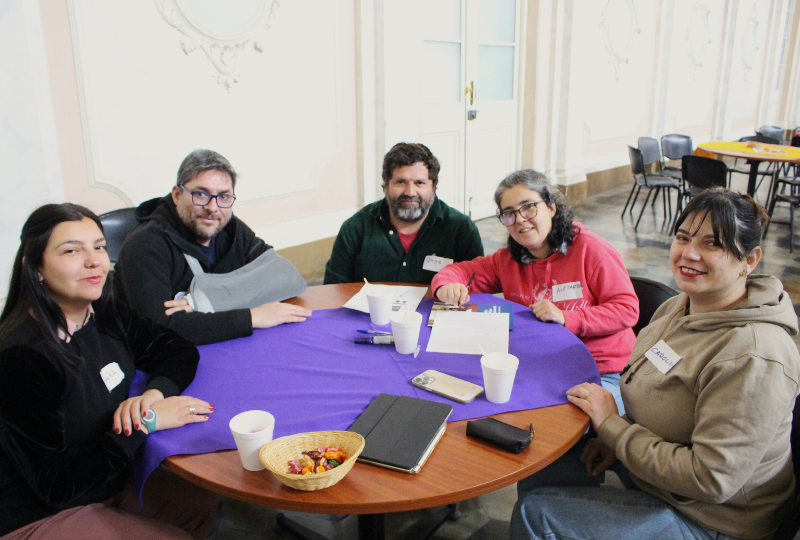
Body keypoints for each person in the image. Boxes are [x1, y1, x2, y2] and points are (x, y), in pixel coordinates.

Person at [511, 188, 800, 540]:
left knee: (536, 514)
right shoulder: (679, 307)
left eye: (713, 244)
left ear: (749, 260)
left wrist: (615, 429)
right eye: (683, 237)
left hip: (713, 519)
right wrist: (617, 437)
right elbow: (661, 396)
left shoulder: (754, 355)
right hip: (661, 480)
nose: (689, 253)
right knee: (544, 460)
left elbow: (710, 480)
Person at [0, 204, 217, 539]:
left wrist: (152, 396)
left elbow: (177, 349)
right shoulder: (22, 357)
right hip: (40, 510)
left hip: (104, 477)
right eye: (72, 250)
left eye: (99, 247)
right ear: (36, 267)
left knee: (201, 504)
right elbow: (57, 483)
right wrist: (147, 422)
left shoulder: (103, 312)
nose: (94, 261)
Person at [431, 170, 637, 410]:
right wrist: (446, 286)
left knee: (563, 420)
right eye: (509, 213)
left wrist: (567, 317)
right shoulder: (508, 259)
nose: (519, 219)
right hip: (544, 365)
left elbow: (627, 309)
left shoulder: (591, 250)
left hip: (603, 371)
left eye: (528, 207)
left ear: (551, 207)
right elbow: (462, 271)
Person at [114, 149, 312, 345]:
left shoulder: (230, 228)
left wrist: (203, 301)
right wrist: (251, 317)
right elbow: (159, 328)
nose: (213, 208)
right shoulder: (145, 244)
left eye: (224, 197)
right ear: (177, 195)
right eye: (201, 194)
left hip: (225, 344)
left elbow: (286, 277)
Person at [324, 142, 484, 285]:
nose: (410, 192)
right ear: (386, 186)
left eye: (419, 183)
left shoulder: (461, 230)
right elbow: (333, 290)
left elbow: (477, 291)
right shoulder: (356, 228)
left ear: (433, 188)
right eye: (401, 182)